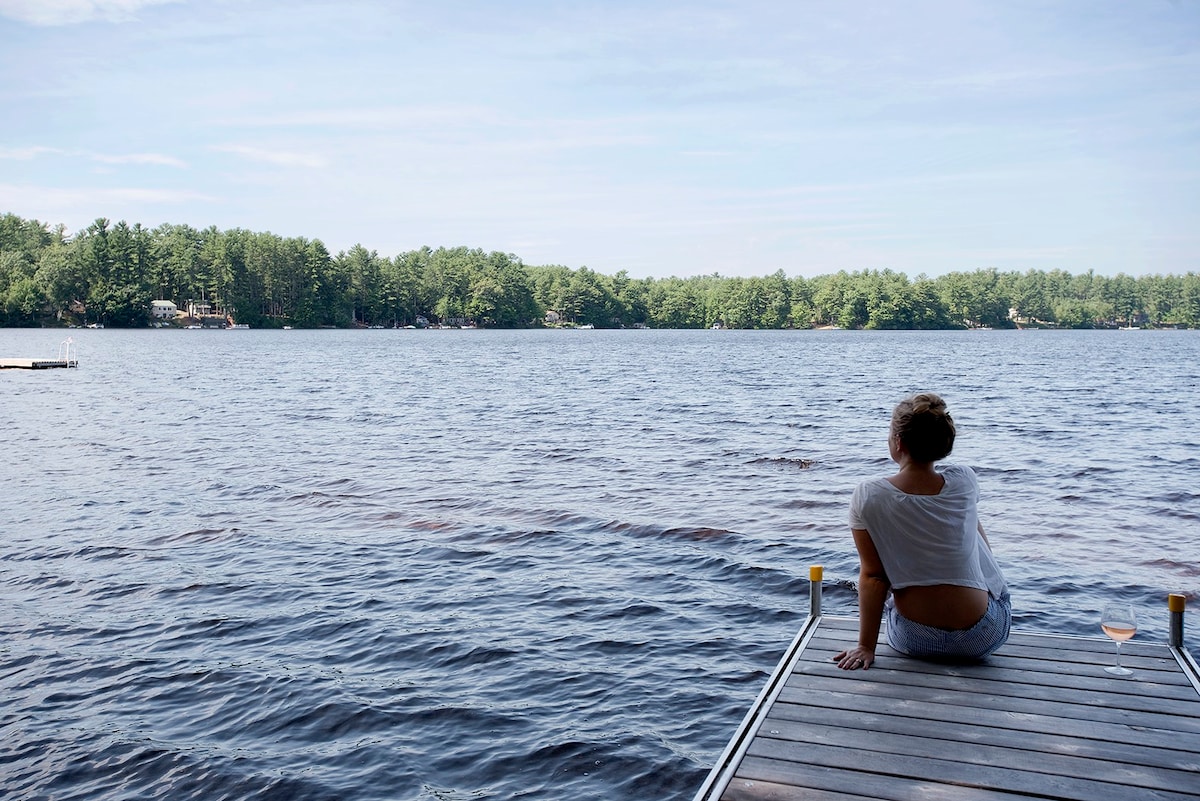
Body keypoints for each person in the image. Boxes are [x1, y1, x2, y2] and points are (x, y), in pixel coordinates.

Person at [834, 393, 1010, 670]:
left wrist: (866, 646)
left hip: (915, 638)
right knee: (967, 519)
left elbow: (873, 577)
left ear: (898, 442)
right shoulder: (965, 480)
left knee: (894, 553)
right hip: (982, 636)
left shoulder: (868, 494)